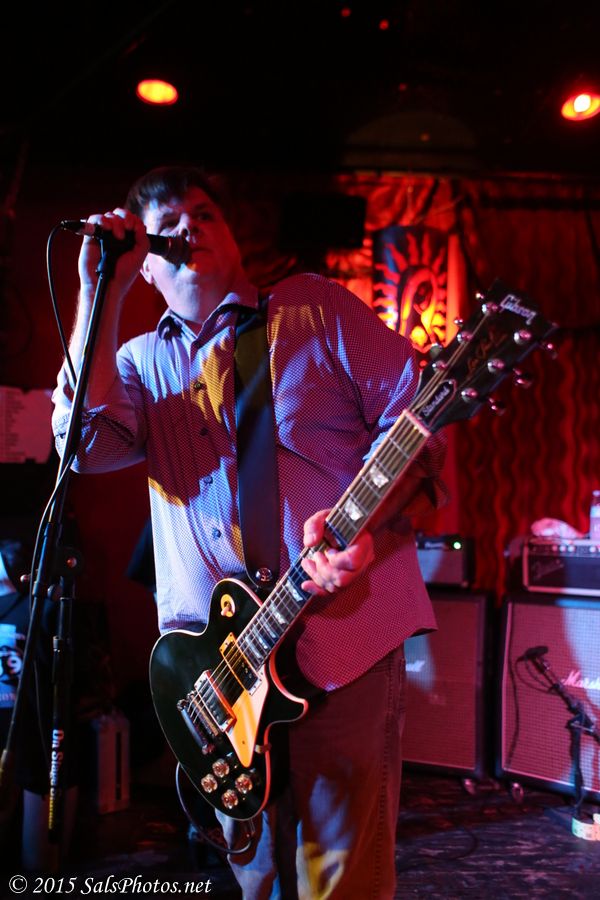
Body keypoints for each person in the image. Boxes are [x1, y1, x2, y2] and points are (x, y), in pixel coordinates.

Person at [52, 166, 446, 899]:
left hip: (342, 639)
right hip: (219, 674)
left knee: (342, 882)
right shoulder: (138, 363)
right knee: (256, 877)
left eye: (204, 213)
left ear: (232, 236)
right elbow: (83, 445)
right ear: (146, 264)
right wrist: (97, 290)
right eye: (168, 225)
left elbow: (419, 417)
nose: (189, 228)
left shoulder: (314, 309)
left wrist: (366, 530)